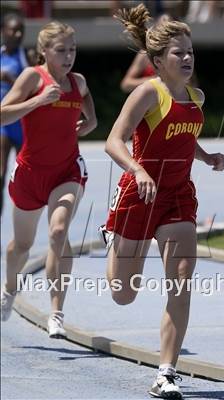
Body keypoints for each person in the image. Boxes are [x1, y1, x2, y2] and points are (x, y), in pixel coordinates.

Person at [99, 4, 224, 398]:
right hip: (139, 195)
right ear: (157, 60)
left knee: (182, 279)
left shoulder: (195, 96)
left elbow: (185, 138)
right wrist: (137, 170)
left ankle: (166, 372)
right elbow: (113, 141)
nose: (187, 58)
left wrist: (205, 157)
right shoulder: (146, 93)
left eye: (190, 52)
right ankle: (111, 236)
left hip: (176, 198)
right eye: (178, 53)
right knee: (123, 293)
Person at [0, 21, 97, 338]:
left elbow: (90, 115)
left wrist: (88, 123)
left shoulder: (77, 81)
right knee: (21, 247)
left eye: (73, 50)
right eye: (61, 50)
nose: (69, 56)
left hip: (67, 171)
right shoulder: (32, 77)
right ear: (44, 51)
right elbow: (3, 114)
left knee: (58, 231)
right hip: (30, 173)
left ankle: (56, 311)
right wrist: (37, 101)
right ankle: (9, 287)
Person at [0, 13, 36, 215]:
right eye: (13, 29)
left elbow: (36, 87)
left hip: (23, 124)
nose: (17, 33)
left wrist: (13, 80)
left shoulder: (27, 56)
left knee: (27, 177)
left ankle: (25, 220)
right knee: (0, 174)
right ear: (3, 31)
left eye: (20, 29)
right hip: (3, 124)